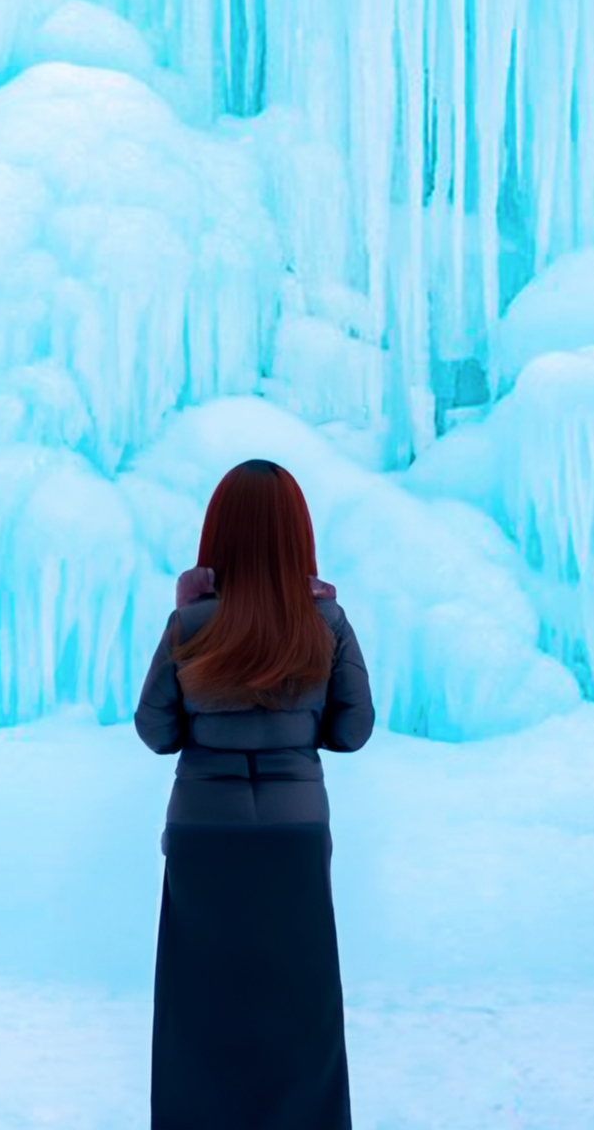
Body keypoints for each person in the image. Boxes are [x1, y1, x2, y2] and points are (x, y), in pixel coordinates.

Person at [135, 457, 374, 1130]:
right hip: (294, 834)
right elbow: (353, 730)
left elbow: (155, 731)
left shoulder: (190, 626)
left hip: (203, 833)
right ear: (297, 539)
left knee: (200, 1005)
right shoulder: (325, 624)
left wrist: (188, 618)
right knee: (301, 1006)